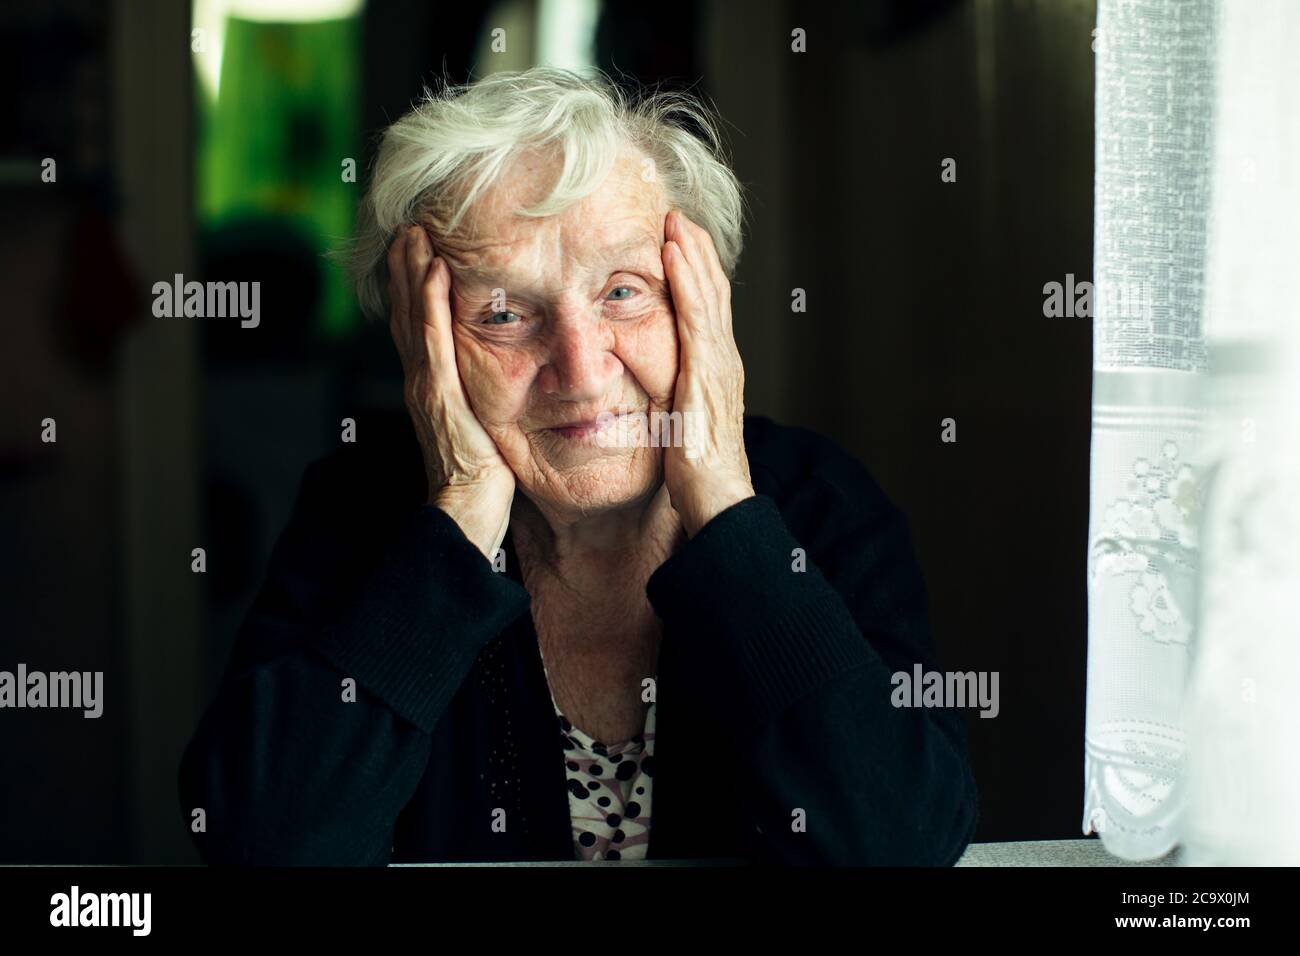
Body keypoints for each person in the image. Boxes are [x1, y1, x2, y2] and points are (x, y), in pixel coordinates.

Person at [178, 66, 979, 865]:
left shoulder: (821, 507)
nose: (583, 368)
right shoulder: (362, 512)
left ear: (703, 304)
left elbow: (901, 845)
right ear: (422, 345)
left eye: (625, 293)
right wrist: (457, 518)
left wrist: (730, 514)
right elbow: (260, 847)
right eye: (501, 313)